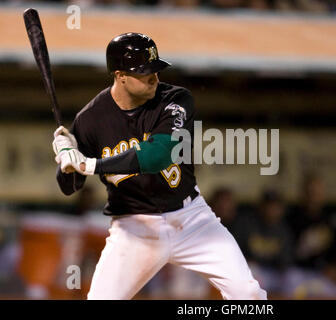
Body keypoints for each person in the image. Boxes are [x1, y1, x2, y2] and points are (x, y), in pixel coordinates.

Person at [51, 32, 266, 300]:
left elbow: (160, 155)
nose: (154, 77)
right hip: (133, 228)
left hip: (191, 220)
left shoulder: (175, 100)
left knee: (247, 293)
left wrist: (90, 164)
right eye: (144, 72)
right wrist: (66, 158)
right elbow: (70, 187)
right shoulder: (90, 119)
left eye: (155, 69)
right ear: (120, 76)